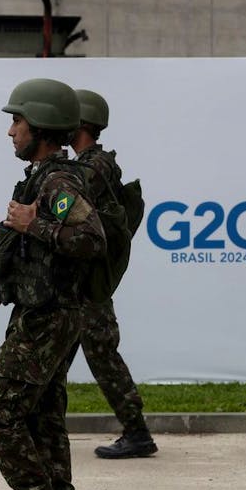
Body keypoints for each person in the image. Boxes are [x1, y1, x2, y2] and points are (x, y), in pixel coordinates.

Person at [0, 78, 106, 490]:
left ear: (42, 126)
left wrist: (36, 225)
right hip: (44, 311)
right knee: (44, 418)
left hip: (49, 317)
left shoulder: (58, 182)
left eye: (17, 121)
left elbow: (93, 241)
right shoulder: (44, 176)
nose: (11, 131)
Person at [69, 88, 158, 459]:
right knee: (62, 356)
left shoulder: (95, 167)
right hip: (80, 280)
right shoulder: (89, 164)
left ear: (82, 124)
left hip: (88, 282)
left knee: (101, 353)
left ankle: (137, 432)